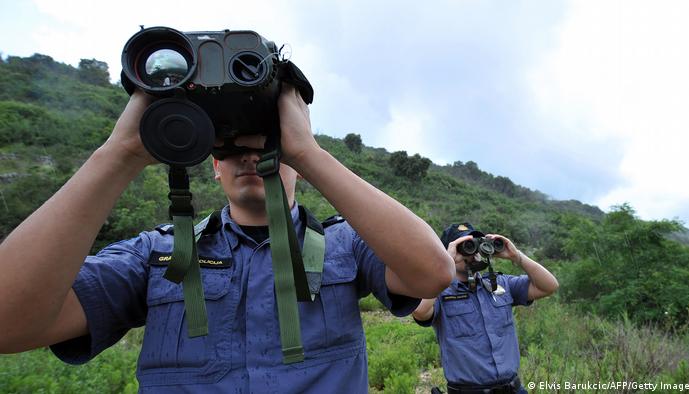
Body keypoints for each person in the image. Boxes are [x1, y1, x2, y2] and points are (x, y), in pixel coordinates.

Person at [0, 84, 454, 393]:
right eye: (230, 149)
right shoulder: (156, 255)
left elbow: (433, 273)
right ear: (214, 166)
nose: (250, 158)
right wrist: (119, 154)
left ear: (296, 162)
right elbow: (9, 322)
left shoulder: (346, 245)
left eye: (268, 147)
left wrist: (309, 149)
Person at [412, 222, 559, 394]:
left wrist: (516, 256)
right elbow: (420, 312)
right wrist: (445, 264)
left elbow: (549, 286)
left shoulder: (500, 284)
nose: (472, 251)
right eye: (464, 246)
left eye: (476, 244)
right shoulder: (439, 293)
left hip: (513, 389)